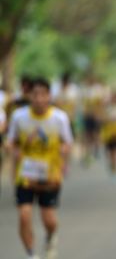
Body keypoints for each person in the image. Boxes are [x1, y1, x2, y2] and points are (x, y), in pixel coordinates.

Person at [6, 78, 73, 259]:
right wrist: (15, 152)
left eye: (43, 94)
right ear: (29, 96)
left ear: (49, 96)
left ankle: (51, 237)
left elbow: (68, 143)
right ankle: (31, 254)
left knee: (49, 219)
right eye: (35, 95)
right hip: (26, 175)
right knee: (24, 215)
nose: (39, 99)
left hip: (50, 175)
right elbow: (10, 142)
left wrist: (63, 153)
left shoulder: (59, 118)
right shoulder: (19, 116)